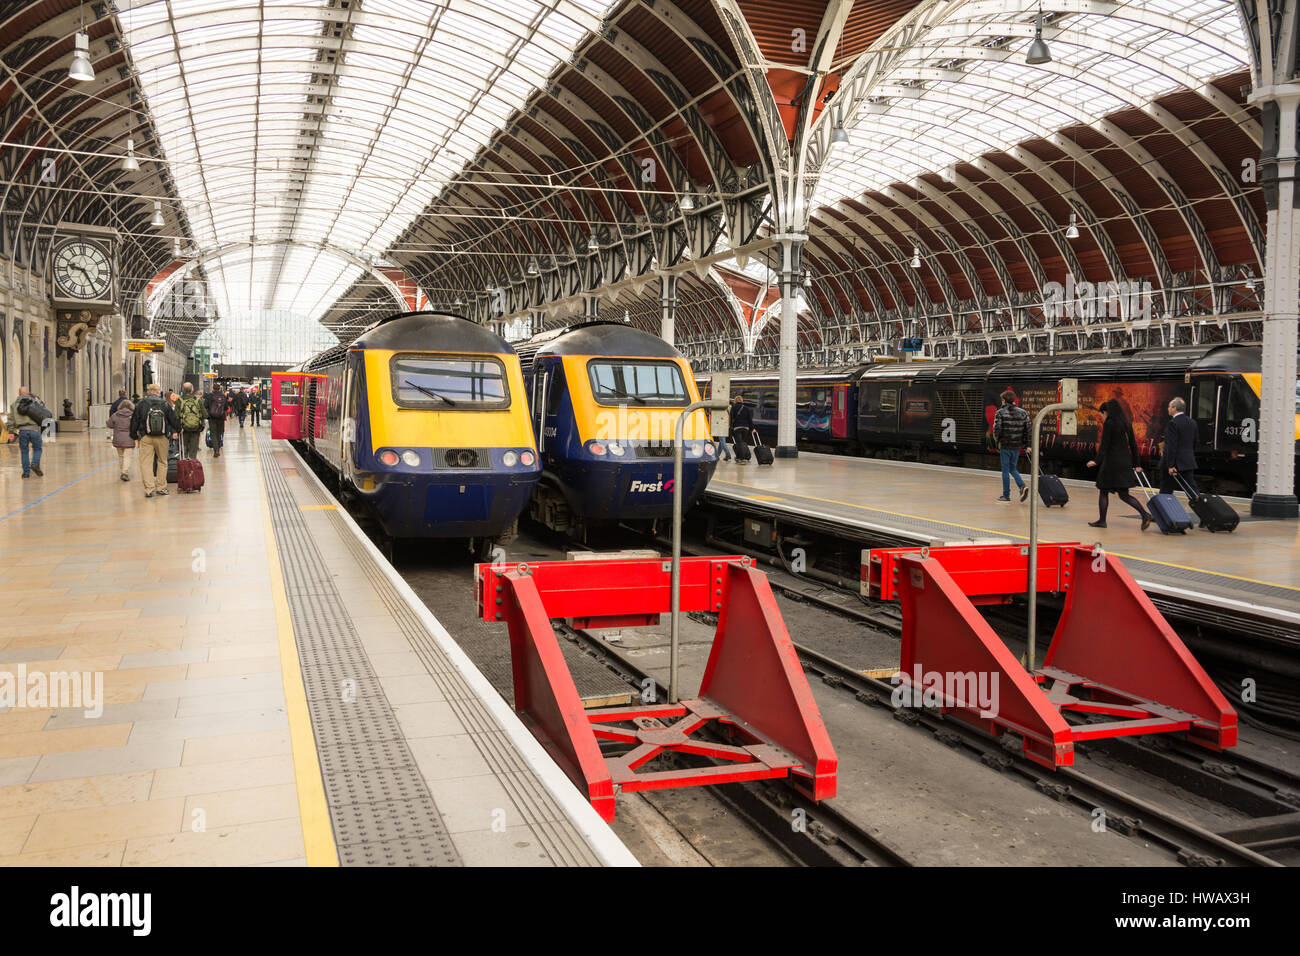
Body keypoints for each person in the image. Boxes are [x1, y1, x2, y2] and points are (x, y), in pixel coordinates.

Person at [1086, 398, 1152, 530]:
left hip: (1111, 463)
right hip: (1125, 462)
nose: (1103, 416)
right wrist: (1137, 464)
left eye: (1102, 414)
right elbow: (1133, 445)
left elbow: (1104, 445)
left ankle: (1102, 521)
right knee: (1124, 494)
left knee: (1103, 490)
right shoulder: (1126, 423)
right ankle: (1144, 515)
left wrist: (1096, 461)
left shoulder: (1110, 423)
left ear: (1106, 412)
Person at [129, 383, 180, 499]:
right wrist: (178, 428)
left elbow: (134, 421)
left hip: (146, 437)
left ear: (148, 392)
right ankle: (161, 488)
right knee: (162, 462)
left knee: (146, 463)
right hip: (162, 437)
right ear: (158, 392)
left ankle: (149, 489)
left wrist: (134, 436)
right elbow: (173, 418)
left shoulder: (141, 404)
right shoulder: (164, 404)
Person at [992, 389, 1030, 502]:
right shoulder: (1023, 412)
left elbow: (997, 430)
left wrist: (998, 442)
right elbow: (1028, 430)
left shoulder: (1000, 412)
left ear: (1003, 400)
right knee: (1013, 468)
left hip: (1005, 445)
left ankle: (1006, 495)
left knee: (1005, 470)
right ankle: (1022, 486)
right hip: (1016, 446)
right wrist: (1027, 445)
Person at [1159, 396, 1199, 495]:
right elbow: (1195, 442)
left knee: (1166, 490)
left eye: (1169, 407)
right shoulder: (1192, 422)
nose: (1168, 409)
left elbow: (1171, 446)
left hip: (1174, 464)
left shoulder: (1173, 423)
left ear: (1174, 408)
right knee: (1191, 489)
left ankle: (1163, 509)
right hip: (1187, 461)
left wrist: (1171, 465)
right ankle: (1202, 507)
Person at [5, 386, 45, 478]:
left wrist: (11, 431)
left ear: (19, 393)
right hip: (34, 429)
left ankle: (26, 473)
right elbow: (43, 408)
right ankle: (35, 464)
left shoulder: (14, 404)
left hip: (22, 430)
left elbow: (10, 419)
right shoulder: (34, 401)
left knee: (24, 452)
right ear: (28, 392)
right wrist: (36, 397)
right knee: (38, 449)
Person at [176, 382, 206, 459]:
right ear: (192, 390)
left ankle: (184, 466)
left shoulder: (179, 400)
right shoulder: (197, 400)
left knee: (184, 449)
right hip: (195, 429)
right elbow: (205, 414)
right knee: (193, 450)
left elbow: (176, 416)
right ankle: (192, 467)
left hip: (183, 429)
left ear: (182, 390)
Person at [109, 398, 136, 481]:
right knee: (127, 456)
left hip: (118, 439)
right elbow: (136, 426)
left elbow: (109, 424)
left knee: (121, 456)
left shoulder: (115, 415)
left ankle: (122, 472)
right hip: (129, 439)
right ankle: (125, 472)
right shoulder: (133, 415)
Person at [205, 385, 229, 457]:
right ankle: (218, 448)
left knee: (213, 434)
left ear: (212, 388)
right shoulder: (223, 396)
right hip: (221, 417)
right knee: (219, 433)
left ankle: (216, 450)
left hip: (212, 418)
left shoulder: (210, 396)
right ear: (220, 389)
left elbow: (205, 405)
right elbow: (226, 407)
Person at [729, 394, 753, 464]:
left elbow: (731, 418)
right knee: (741, 443)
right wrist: (752, 428)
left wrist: (731, 427)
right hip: (746, 428)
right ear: (742, 400)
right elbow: (749, 419)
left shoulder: (733, 408)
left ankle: (742, 459)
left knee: (739, 443)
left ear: (735, 401)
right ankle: (739, 457)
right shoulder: (746, 408)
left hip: (737, 428)